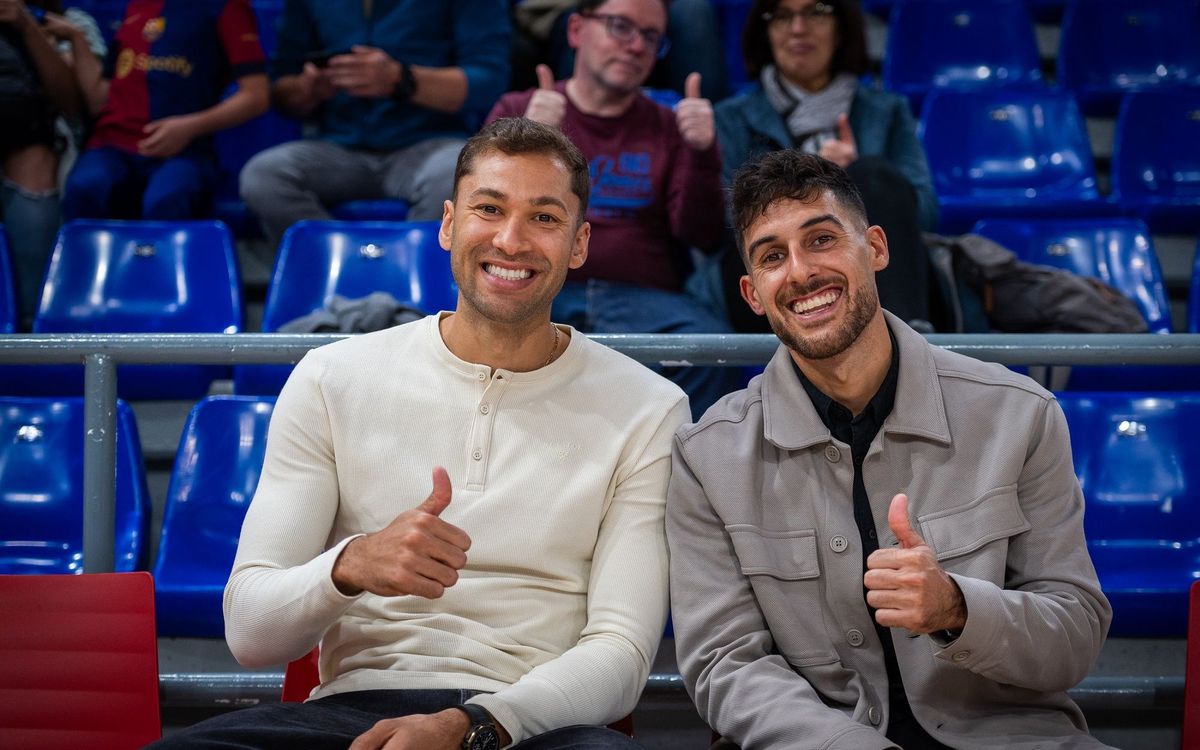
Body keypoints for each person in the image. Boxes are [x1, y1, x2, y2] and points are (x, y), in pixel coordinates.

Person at [151, 117, 690, 750]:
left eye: (544, 218)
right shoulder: (332, 376)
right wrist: (350, 565)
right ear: (448, 224)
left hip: (529, 724)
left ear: (579, 244)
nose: (511, 240)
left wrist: (473, 727)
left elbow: (622, 654)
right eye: (489, 208)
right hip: (351, 711)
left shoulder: (650, 407)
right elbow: (250, 632)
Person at [666, 150, 1113, 749]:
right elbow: (725, 666)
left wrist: (957, 608)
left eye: (821, 239)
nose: (799, 273)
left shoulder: (1020, 413)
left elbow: (1075, 635)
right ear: (753, 293)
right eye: (773, 256)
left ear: (875, 248)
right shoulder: (707, 455)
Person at [487, 0, 740, 419]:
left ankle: (677, 478)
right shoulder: (520, 110)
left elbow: (702, 235)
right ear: (575, 30)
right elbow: (483, 216)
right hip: (540, 288)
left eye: (650, 37)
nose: (636, 46)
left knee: (710, 348)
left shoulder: (669, 125)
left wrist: (701, 154)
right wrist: (528, 144)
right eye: (620, 26)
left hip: (647, 300)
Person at [715, 0, 939, 332]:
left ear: (841, 27)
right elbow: (724, 224)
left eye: (816, 11)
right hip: (779, 286)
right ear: (765, 32)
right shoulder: (730, 118)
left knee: (873, 174)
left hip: (873, 282)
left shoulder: (887, 111)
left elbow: (926, 214)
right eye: (781, 15)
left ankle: (900, 342)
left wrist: (853, 182)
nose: (798, 28)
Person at [238, 0, 511, 247]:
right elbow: (282, 89)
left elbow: (488, 82)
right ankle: (344, 268)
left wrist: (401, 79)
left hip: (431, 142)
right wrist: (309, 89)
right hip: (338, 147)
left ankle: (409, 279)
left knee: (462, 174)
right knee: (262, 176)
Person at [58, 0, 269, 222]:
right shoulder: (137, 7)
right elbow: (101, 101)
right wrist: (77, 39)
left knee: (167, 198)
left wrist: (189, 128)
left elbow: (256, 97)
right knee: (85, 187)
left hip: (185, 151)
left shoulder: (227, 6)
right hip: (113, 146)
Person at [0, 0, 81, 328]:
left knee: (35, 171)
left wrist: (27, 27)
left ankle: (32, 326)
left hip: (37, 138)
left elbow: (72, 104)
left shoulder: (65, 22)